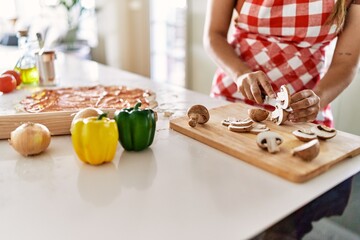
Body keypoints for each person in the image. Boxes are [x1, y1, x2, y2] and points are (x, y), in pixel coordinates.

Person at [203, 0, 360, 127]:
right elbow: (214, 35)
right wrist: (240, 74)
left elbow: (345, 62)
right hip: (232, 95)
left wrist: (316, 100)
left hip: (302, 114)